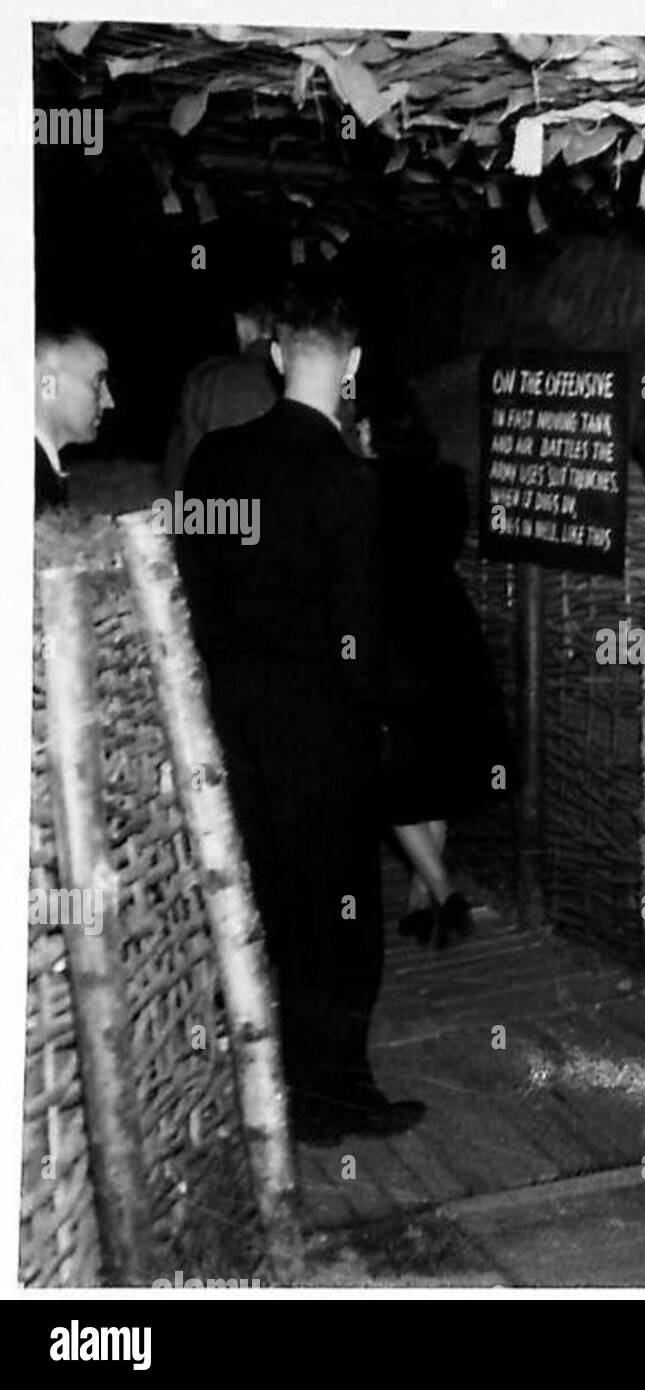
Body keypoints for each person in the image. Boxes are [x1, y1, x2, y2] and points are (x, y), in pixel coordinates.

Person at [176, 282, 425, 1143]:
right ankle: (333, 1097)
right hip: (323, 733)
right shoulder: (346, 481)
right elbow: (359, 629)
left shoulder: (216, 459)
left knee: (272, 904)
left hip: (240, 724)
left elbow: (196, 591)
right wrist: (374, 722)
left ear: (278, 357)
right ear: (352, 366)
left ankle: (264, 1086)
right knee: (342, 922)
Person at [364, 400, 517, 948]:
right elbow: (446, 544)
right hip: (448, 625)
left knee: (395, 777)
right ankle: (420, 904)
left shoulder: (365, 485)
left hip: (394, 632)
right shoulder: (448, 482)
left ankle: (445, 892)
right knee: (439, 763)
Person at [163, 291, 279, 491]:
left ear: (241, 324)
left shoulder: (207, 378)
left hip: (218, 516)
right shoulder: (304, 377)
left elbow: (178, 467)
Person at [34, 322, 114, 515]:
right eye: (97, 382)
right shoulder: (24, 477)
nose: (109, 401)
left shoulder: (39, 469)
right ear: (48, 384)